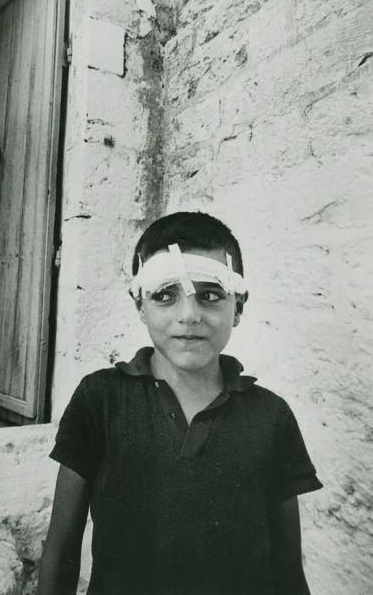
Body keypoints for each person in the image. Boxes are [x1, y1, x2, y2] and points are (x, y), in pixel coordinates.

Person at [38, 211, 322, 595]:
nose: (189, 316)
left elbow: (287, 568)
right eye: (165, 295)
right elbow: (61, 552)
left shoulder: (271, 416)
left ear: (238, 306)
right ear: (140, 304)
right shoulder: (100, 399)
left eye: (209, 295)